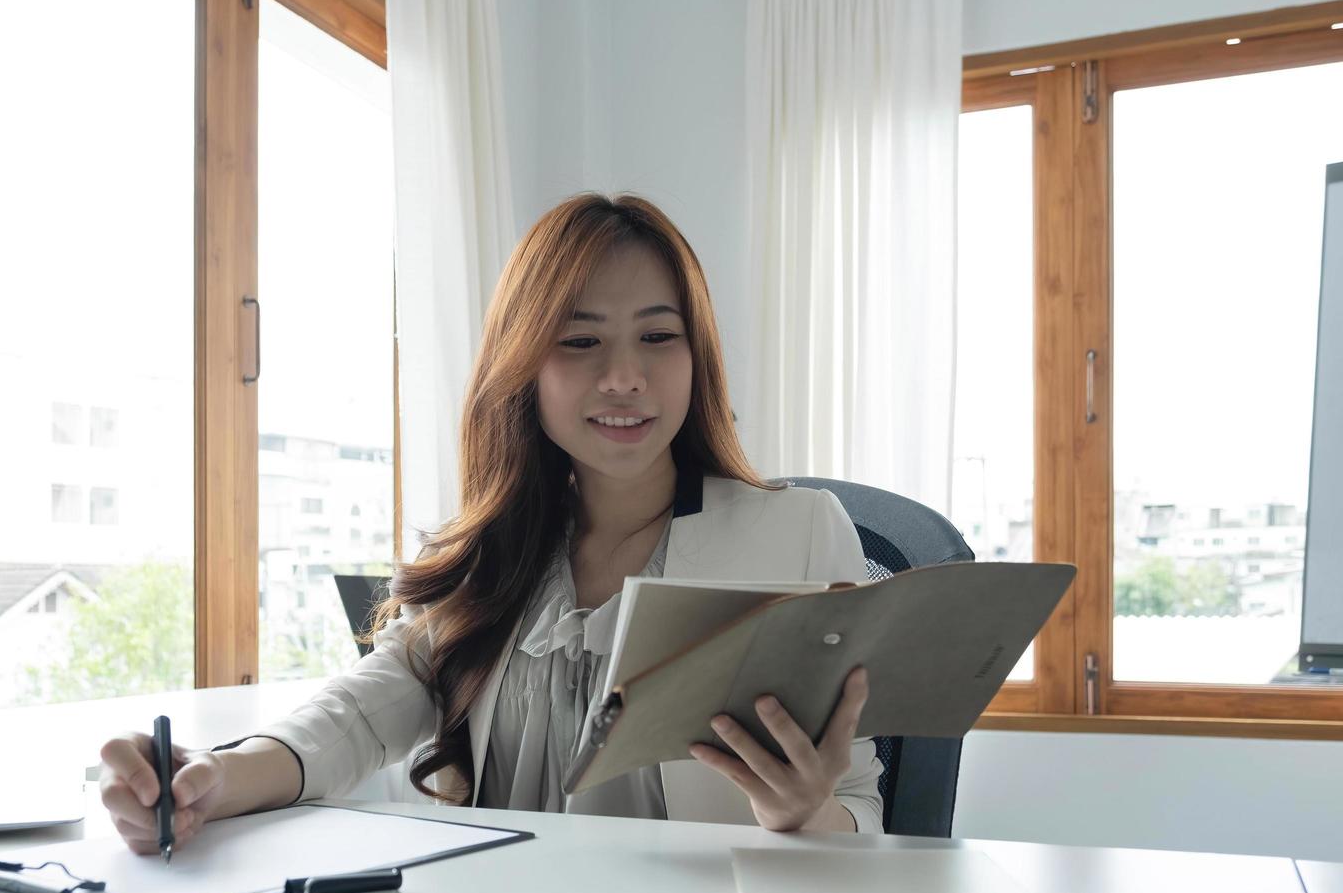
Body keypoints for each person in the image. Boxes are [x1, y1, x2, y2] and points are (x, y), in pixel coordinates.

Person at [98, 193, 880, 853]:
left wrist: (803, 813)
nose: (624, 378)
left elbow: (862, 812)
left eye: (657, 336)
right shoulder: (488, 555)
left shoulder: (801, 534)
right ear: (523, 366)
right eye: (579, 341)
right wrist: (213, 779)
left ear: (696, 355)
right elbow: (363, 716)